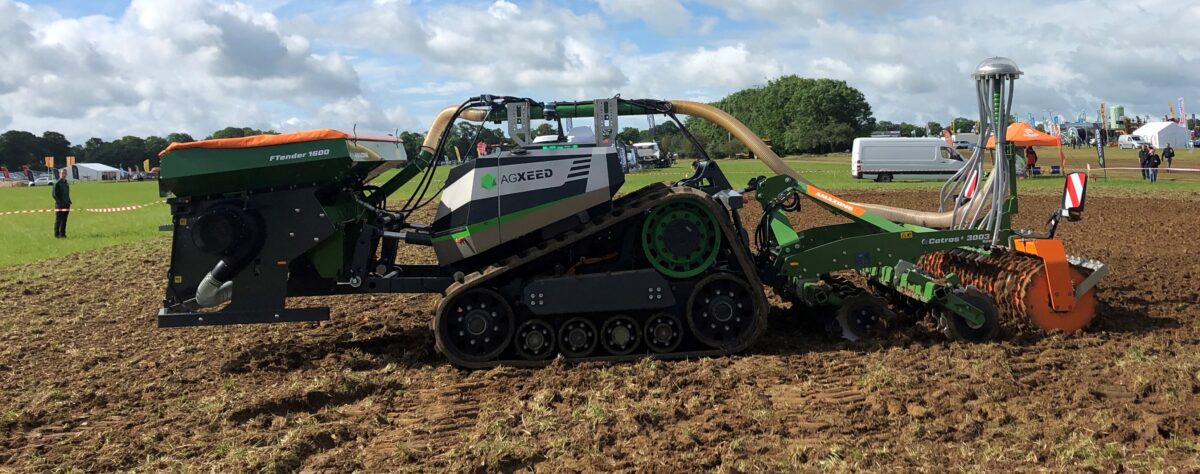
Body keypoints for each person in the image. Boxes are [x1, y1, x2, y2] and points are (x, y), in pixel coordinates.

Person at [52, 168, 71, 238]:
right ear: (60, 174)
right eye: (62, 173)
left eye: (65, 173)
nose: (64, 174)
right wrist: (60, 202)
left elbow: (67, 193)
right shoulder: (57, 183)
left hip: (67, 204)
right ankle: (56, 234)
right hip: (59, 205)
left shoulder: (66, 183)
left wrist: (68, 201)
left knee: (64, 220)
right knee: (58, 220)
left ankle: (62, 234)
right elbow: (54, 194)